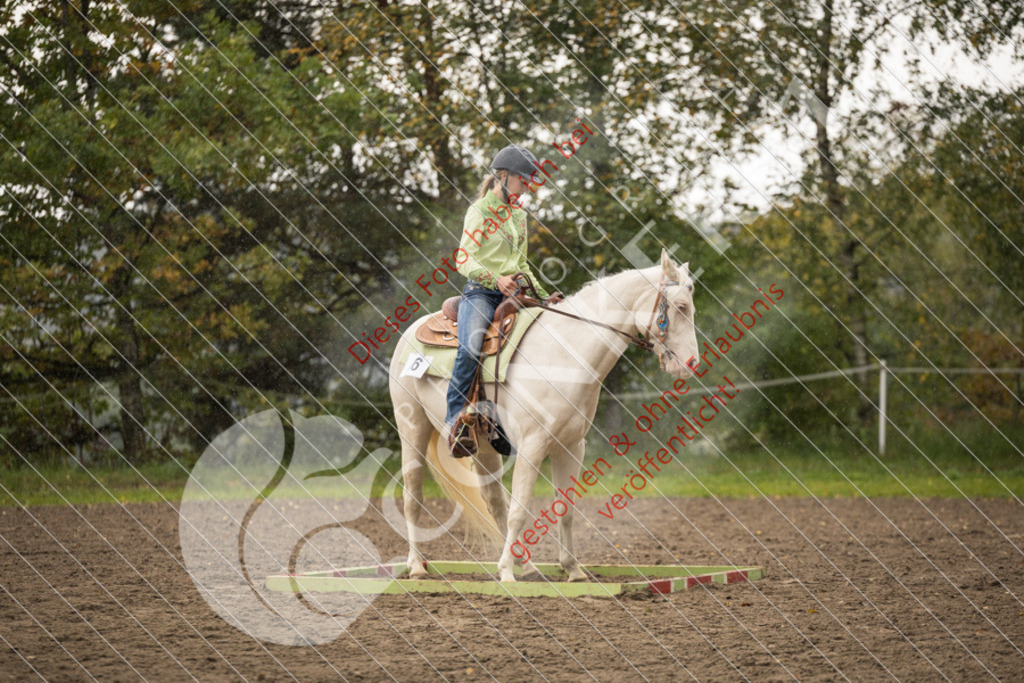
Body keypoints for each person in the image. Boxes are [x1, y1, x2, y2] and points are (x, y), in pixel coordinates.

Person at [445, 144, 563, 458]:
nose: (527, 186)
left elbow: (521, 264)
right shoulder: (479, 211)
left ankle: (504, 420)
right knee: (470, 346)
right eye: (523, 180)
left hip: (516, 293)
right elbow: (463, 259)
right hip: (482, 292)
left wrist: (542, 294)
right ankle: (455, 423)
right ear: (503, 175)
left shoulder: (519, 216)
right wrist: (496, 279)